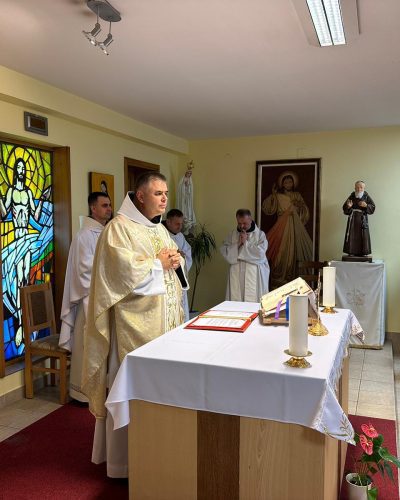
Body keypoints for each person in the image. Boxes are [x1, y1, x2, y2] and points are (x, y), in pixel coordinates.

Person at [81, 172, 188, 478]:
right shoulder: (118, 229)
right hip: (133, 327)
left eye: (166, 193)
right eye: (158, 193)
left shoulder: (159, 228)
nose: (164, 199)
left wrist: (175, 261)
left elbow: (172, 265)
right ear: (140, 196)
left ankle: (157, 453)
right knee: (131, 389)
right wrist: (158, 264)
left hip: (163, 325)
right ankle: (124, 463)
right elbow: (118, 274)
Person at [59, 192, 112, 402]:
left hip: (103, 297)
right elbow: (85, 270)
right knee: (86, 347)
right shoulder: (84, 236)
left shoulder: (105, 232)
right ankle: (82, 395)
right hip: (89, 299)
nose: (109, 209)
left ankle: (101, 389)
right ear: (93, 208)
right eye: (104, 205)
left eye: (109, 205)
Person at [0, 158, 51, 347]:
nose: (21, 171)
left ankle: (25, 323)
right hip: (16, 239)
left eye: (23, 169)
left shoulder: (28, 192)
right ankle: (22, 322)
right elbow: (4, 213)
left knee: (24, 281)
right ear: (15, 171)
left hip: (27, 240)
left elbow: (35, 216)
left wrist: (43, 199)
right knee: (16, 281)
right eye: (19, 168)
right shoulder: (11, 192)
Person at [262, 171, 313, 289]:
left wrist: (299, 206)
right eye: (286, 182)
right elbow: (268, 208)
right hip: (281, 226)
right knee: (281, 252)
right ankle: (279, 278)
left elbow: (304, 211)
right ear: (282, 184)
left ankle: (291, 277)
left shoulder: (297, 195)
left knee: (293, 251)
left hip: (294, 226)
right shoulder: (278, 195)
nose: (288, 184)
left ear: (293, 183)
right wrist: (273, 195)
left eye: (290, 182)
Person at [220, 209, 269, 302]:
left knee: (253, 303)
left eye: (244, 223)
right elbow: (225, 252)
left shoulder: (260, 235)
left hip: (253, 277)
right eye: (239, 223)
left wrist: (245, 243)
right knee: (236, 303)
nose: (242, 226)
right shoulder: (232, 235)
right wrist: (238, 244)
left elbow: (260, 254)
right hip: (236, 276)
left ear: (250, 219)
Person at [162, 208, 192, 321]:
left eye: (181, 223)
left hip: (180, 277)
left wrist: (182, 257)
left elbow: (187, 254)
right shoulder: (162, 234)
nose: (180, 226)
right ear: (168, 222)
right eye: (177, 224)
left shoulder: (180, 236)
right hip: (168, 277)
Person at [343, 180, 375, 256]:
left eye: (361, 187)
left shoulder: (366, 196)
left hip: (362, 219)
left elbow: (373, 207)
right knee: (352, 235)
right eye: (357, 187)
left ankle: (364, 252)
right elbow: (344, 207)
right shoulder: (352, 196)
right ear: (355, 188)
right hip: (353, 219)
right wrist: (348, 207)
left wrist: (366, 205)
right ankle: (351, 251)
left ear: (364, 188)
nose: (359, 189)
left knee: (363, 235)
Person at [177, 160, 196, 234]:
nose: (189, 174)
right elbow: (180, 188)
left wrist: (188, 188)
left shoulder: (190, 181)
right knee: (183, 209)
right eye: (188, 173)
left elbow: (191, 189)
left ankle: (188, 225)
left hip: (188, 198)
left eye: (190, 173)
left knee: (188, 209)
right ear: (186, 173)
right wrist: (184, 186)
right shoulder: (182, 180)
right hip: (183, 197)